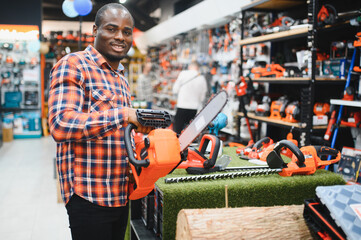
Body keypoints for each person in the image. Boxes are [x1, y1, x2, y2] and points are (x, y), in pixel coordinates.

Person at [48, 3, 152, 240]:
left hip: (120, 191)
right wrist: (125, 114)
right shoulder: (74, 65)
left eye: (127, 32)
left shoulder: (120, 76)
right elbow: (60, 124)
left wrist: (139, 130)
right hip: (88, 194)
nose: (120, 37)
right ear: (95, 31)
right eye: (112, 29)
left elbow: (117, 131)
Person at [172, 61, 208, 134]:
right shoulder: (201, 78)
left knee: (177, 131)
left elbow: (175, 90)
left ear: (189, 67)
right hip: (194, 109)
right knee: (190, 133)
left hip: (182, 106)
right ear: (198, 68)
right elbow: (203, 95)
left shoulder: (183, 74)